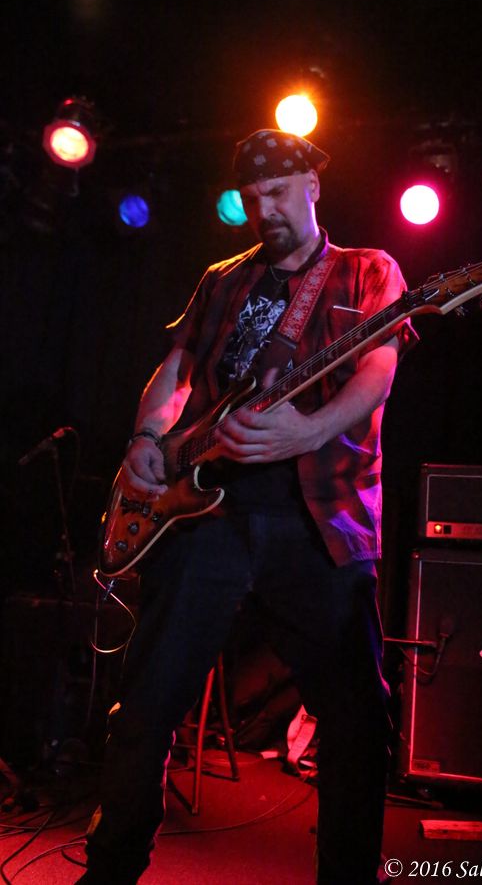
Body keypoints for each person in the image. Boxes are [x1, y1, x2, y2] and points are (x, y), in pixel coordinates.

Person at [78, 129, 417, 885]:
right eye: (252, 197)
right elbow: (177, 368)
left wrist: (308, 429)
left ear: (313, 186)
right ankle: (109, 873)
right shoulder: (221, 279)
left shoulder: (367, 270)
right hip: (205, 517)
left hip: (317, 520)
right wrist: (147, 437)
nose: (266, 210)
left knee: (355, 721)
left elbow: (379, 370)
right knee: (145, 706)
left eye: (279, 192)